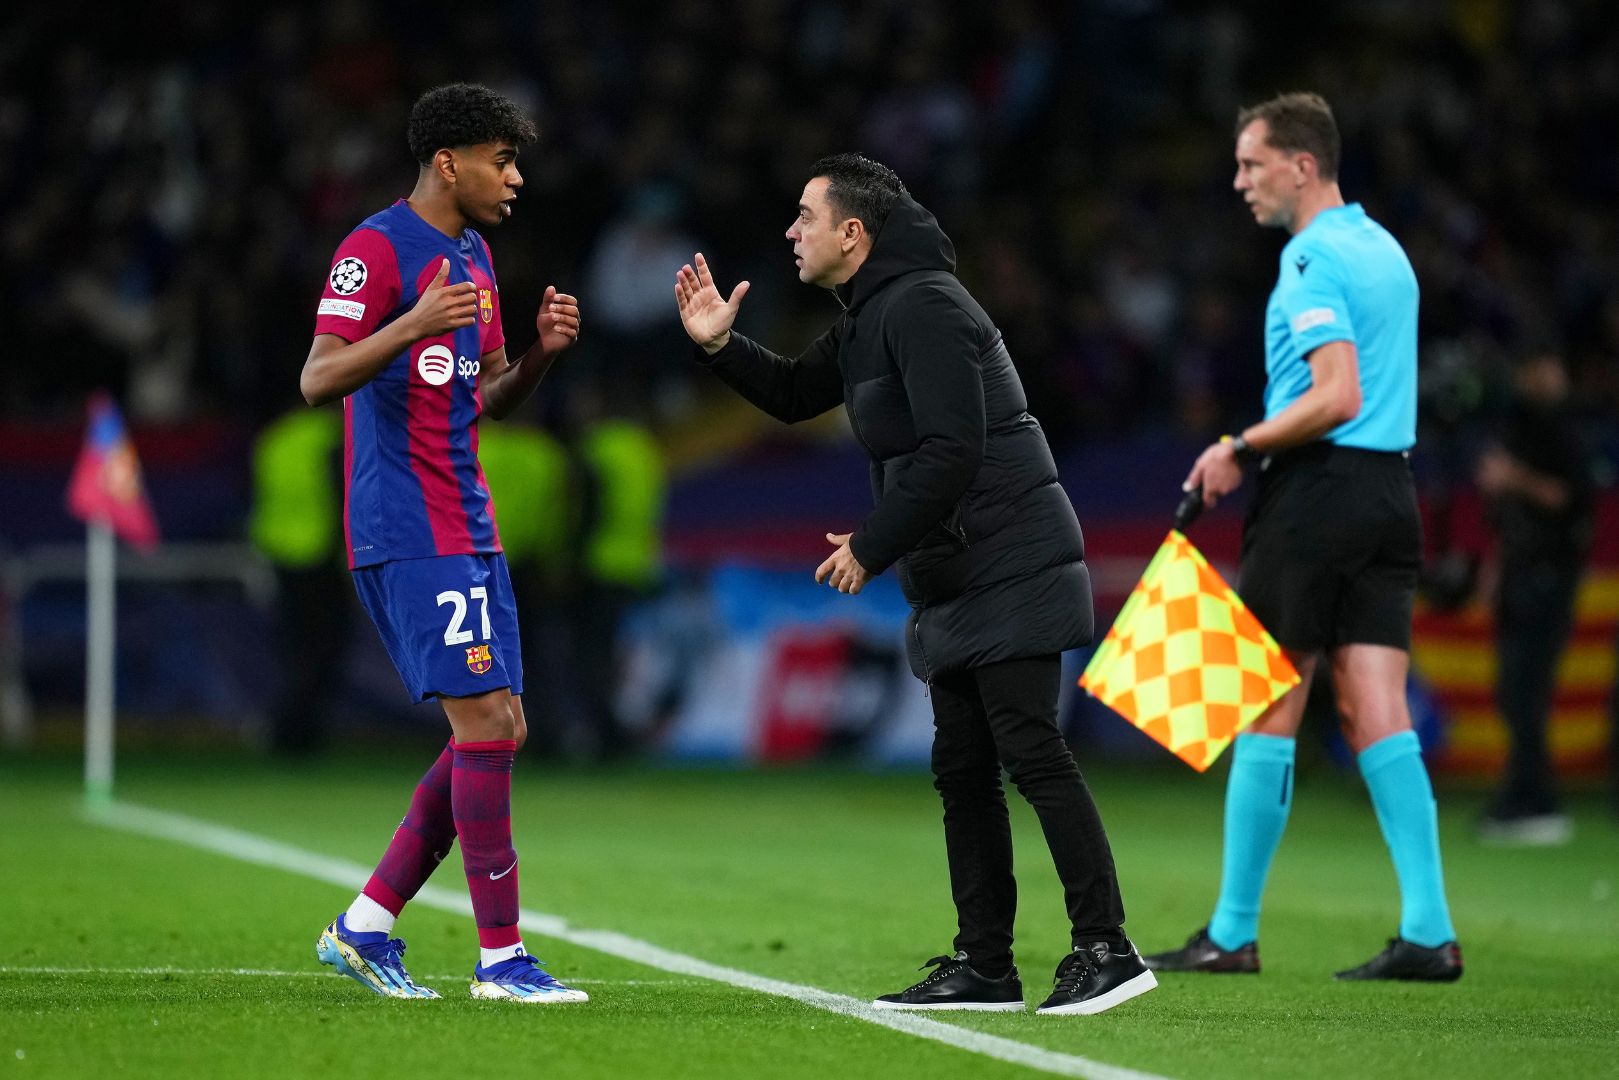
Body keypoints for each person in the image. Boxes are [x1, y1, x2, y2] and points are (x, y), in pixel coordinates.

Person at [674, 153, 1155, 1016]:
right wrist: (718, 344)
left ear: (852, 234)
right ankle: (985, 966)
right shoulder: (872, 314)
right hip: (960, 568)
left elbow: (953, 450)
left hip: (1011, 557)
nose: (790, 231)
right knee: (962, 771)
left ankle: (1106, 948)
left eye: (805, 216)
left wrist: (870, 544)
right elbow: (791, 394)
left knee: (1030, 751)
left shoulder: (924, 306)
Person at [1146, 93, 1462, 981]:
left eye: (1250, 164)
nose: (1238, 181)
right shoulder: (1384, 250)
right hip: (1387, 492)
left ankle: (1231, 931)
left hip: (1317, 494)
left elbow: (1335, 396)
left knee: (1266, 703)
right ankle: (1430, 932)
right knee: (1375, 709)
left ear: (1300, 165)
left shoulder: (1310, 259)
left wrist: (1233, 447)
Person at [299, 83, 587, 1003]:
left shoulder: (475, 255)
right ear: (447, 161)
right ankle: (501, 961)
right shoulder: (373, 248)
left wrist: (536, 352)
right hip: (406, 523)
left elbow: (491, 394)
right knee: (487, 725)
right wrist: (409, 324)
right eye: (502, 160)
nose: (516, 178)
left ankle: (366, 924)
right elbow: (316, 379)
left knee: (497, 727)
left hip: (468, 518)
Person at [1476, 350, 1593, 844]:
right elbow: (1507, 520)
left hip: (1551, 576)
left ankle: (1538, 801)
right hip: (1520, 573)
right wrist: (1494, 571)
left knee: (1529, 692)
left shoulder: (1568, 432)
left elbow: (1567, 498)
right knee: (1512, 690)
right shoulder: (1518, 426)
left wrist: (1513, 477)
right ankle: (1522, 795)